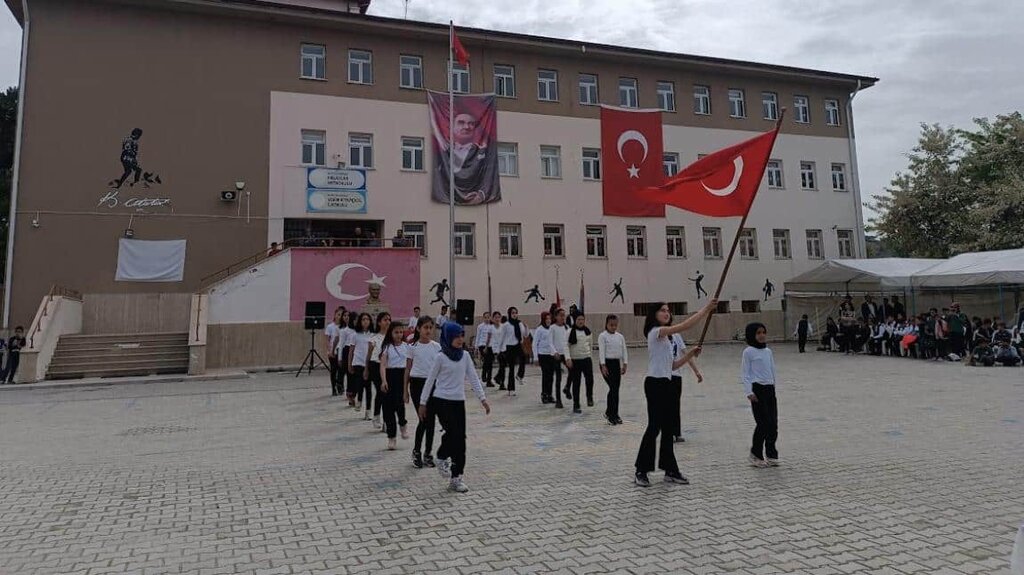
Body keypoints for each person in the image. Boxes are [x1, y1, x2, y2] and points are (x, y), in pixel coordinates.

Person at [634, 299, 715, 488]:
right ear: (654, 314)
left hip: (668, 382)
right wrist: (706, 309)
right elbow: (685, 326)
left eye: (668, 311)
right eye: (662, 310)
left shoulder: (669, 340)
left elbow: (673, 365)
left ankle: (670, 469)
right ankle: (641, 470)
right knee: (654, 427)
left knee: (669, 428)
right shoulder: (656, 332)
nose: (666, 313)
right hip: (654, 384)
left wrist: (690, 354)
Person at [418, 322, 491, 493]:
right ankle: (442, 456)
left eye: (461, 336)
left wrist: (483, 399)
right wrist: (423, 403)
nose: (460, 339)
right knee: (452, 434)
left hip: (458, 402)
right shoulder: (440, 357)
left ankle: (456, 477)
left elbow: (473, 377)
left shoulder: (465, 356)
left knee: (461, 440)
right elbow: (430, 381)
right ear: (448, 337)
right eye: (456, 336)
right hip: (441, 401)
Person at [742, 322, 780, 468]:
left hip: (770, 389)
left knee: (773, 424)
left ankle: (771, 453)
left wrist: (774, 386)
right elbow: (745, 373)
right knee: (762, 423)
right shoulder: (748, 352)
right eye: (758, 333)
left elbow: (772, 370)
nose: (762, 335)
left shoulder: (767, 351)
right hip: (757, 390)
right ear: (752, 335)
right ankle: (756, 453)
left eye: (763, 332)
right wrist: (749, 392)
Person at [405, 316, 441, 468]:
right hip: (417, 384)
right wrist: (404, 391)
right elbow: (407, 369)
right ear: (418, 328)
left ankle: (428, 453)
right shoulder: (412, 347)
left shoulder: (436, 347)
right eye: (425, 327)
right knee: (423, 419)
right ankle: (416, 451)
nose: (428, 330)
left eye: (430, 327)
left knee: (431, 421)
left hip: (432, 385)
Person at [379, 322, 410, 450]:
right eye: (396, 332)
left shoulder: (407, 347)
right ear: (391, 333)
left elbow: (409, 365)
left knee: (400, 405)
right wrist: (384, 380)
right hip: (390, 377)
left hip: (401, 377)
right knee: (387, 409)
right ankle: (391, 437)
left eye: (400, 332)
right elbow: (383, 365)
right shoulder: (387, 347)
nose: (398, 335)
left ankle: (402, 424)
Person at [598, 315, 627, 425]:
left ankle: (613, 413)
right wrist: (603, 365)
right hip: (606, 363)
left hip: (616, 364)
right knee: (613, 388)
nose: (613, 327)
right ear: (606, 324)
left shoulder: (620, 336)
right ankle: (611, 415)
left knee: (616, 390)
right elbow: (601, 351)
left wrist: (625, 363)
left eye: (615, 325)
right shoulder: (602, 336)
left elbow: (624, 349)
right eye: (611, 325)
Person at [367, 312, 392, 429]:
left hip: (388, 367)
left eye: (389, 320)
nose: (387, 322)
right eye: (385, 320)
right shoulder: (374, 338)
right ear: (379, 322)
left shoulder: (392, 337)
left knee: (387, 394)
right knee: (381, 391)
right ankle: (377, 416)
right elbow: (369, 354)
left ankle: (387, 420)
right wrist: (366, 369)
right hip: (375, 366)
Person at [347, 313, 375, 418]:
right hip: (358, 362)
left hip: (368, 363)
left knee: (368, 387)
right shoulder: (355, 335)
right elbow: (351, 351)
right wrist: (349, 364)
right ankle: (359, 399)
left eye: (367, 319)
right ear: (360, 321)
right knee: (359, 383)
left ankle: (368, 410)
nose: (365, 321)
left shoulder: (372, 335)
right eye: (363, 319)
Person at [565, 314, 594, 414]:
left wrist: (590, 356)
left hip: (586, 359)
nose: (581, 321)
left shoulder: (588, 331)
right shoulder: (570, 331)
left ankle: (589, 397)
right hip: (575, 360)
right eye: (578, 319)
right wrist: (568, 358)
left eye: (582, 319)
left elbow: (590, 345)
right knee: (576, 383)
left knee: (590, 379)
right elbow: (566, 346)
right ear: (575, 320)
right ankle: (576, 404)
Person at [500, 307, 528, 395]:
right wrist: (501, 349)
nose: (514, 314)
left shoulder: (519, 324)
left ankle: (519, 375)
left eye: (516, 312)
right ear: (509, 314)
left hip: (518, 345)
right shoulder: (506, 325)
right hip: (509, 347)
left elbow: (525, 335)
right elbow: (502, 337)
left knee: (523, 357)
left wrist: (526, 327)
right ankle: (511, 389)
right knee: (511, 368)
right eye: (512, 313)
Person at [532, 312, 558, 405]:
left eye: (549, 319)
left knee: (551, 376)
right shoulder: (540, 330)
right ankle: (544, 394)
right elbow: (535, 343)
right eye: (546, 319)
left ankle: (550, 394)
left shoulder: (552, 328)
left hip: (551, 355)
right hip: (543, 355)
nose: (548, 320)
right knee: (545, 375)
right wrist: (535, 357)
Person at [325, 308, 346, 397]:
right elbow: (328, 340)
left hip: (341, 351)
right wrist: (330, 350)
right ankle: (333, 388)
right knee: (334, 370)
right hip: (333, 351)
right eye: (338, 314)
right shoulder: (330, 326)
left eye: (342, 315)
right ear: (335, 315)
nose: (340, 316)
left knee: (341, 370)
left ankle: (340, 386)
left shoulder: (344, 327)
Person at [551, 308, 569, 409]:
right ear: (556, 317)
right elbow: (550, 342)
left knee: (572, 371)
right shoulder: (552, 328)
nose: (563, 317)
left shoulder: (567, 328)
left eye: (564, 315)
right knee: (558, 377)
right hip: (556, 355)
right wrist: (554, 352)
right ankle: (558, 400)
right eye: (561, 315)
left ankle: (567, 387)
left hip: (565, 354)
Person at [488, 311, 506, 390]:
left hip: (504, 348)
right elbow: (489, 339)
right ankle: (500, 381)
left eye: (499, 317)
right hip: (495, 348)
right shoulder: (491, 328)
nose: (497, 319)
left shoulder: (503, 327)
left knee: (503, 366)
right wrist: (487, 347)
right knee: (502, 365)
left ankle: (499, 379)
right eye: (495, 317)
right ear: (492, 318)